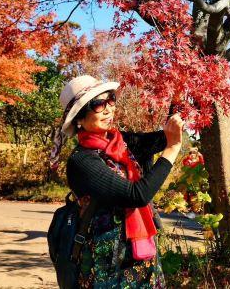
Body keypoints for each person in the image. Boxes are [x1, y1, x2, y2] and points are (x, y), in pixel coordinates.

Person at [59, 75, 184, 288]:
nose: (109, 108)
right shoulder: (82, 160)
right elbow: (137, 195)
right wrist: (172, 150)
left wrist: (178, 99)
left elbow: (165, 137)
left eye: (111, 100)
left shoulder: (121, 142)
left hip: (140, 257)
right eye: (98, 104)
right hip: (107, 267)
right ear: (78, 118)